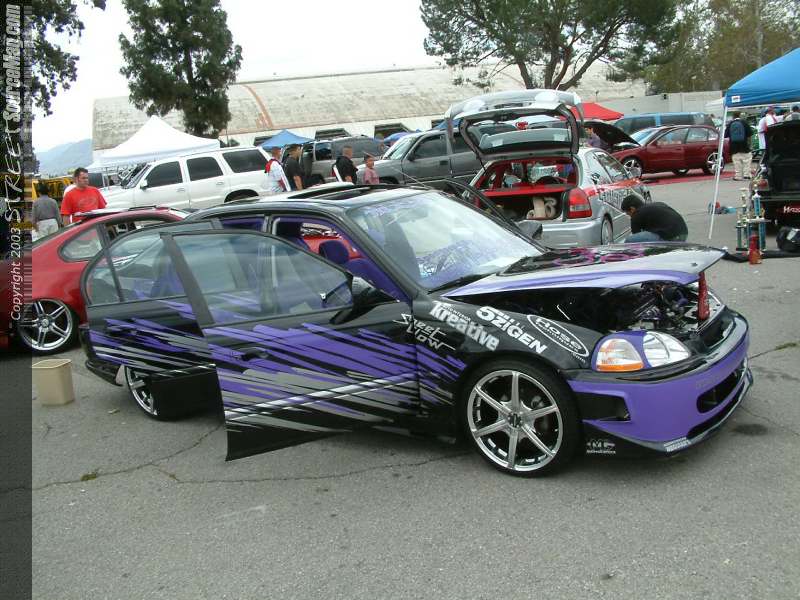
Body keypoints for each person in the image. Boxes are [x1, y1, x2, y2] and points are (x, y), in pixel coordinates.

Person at [621, 197, 688, 242]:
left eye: (627, 213)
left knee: (630, 240)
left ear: (632, 209)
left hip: (672, 238)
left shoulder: (636, 214)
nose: (628, 215)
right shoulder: (658, 204)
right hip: (683, 233)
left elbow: (636, 237)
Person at [725, 111, 754, 180]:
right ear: (740, 115)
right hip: (744, 144)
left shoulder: (730, 124)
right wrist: (750, 144)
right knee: (747, 160)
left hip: (733, 146)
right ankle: (747, 175)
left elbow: (726, 135)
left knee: (736, 161)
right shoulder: (744, 122)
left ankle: (738, 176)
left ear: (733, 116)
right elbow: (750, 134)